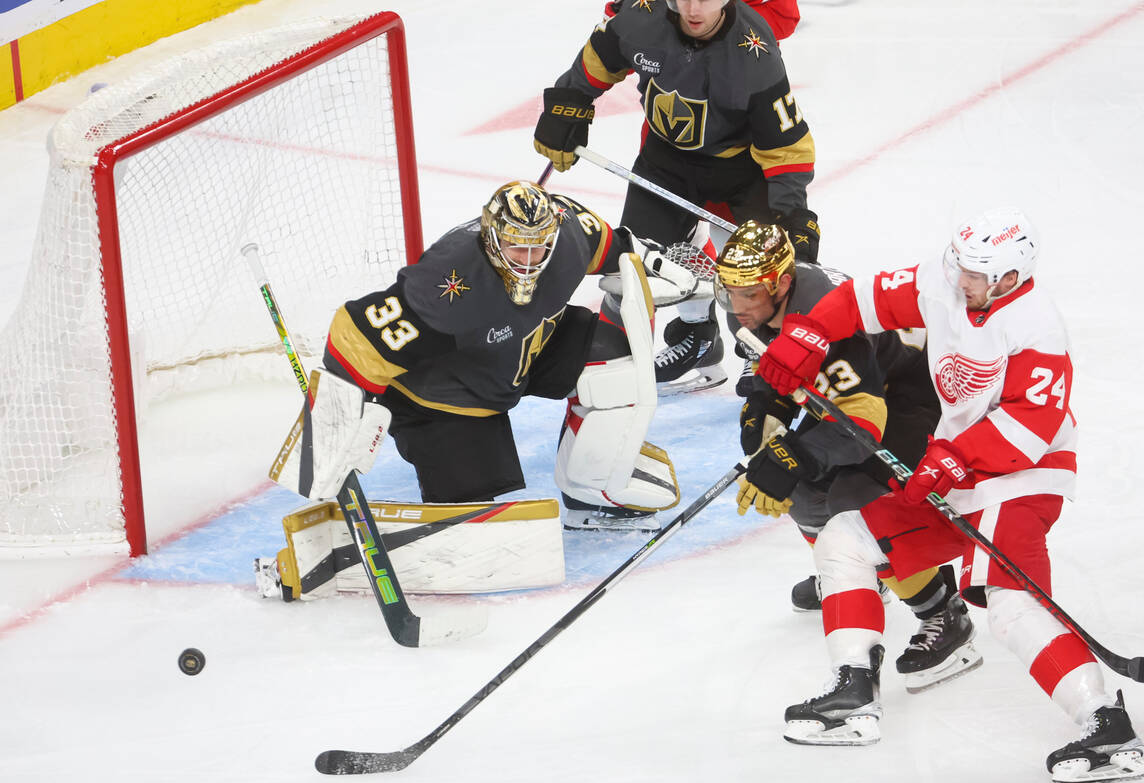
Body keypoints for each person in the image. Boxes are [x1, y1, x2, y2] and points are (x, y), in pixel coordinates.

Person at [756, 208, 1144, 783]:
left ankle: (1108, 726)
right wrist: (806, 335)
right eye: (960, 265)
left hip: (1022, 478)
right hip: (960, 474)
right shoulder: (945, 283)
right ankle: (853, 695)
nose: (962, 280)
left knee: (1010, 605)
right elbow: (859, 299)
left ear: (1010, 278)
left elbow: (1032, 426)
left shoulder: (1038, 326)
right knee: (844, 541)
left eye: (977, 273)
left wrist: (956, 456)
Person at [274, 180, 699, 532]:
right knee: (470, 519)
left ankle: (593, 488)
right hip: (444, 395)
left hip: (527, 348)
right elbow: (357, 336)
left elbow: (618, 246)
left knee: (614, 363)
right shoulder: (449, 282)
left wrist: (653, 264)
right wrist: (331, 431)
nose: (530, 261)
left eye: (539, 248)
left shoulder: (569, 234)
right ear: (493, 237)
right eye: (517, 249)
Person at [717, 221, 981, 692]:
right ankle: (856, 574)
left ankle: (945, 614)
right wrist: (765, 410)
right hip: (856, 394)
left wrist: (790, 455)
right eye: (731, 292)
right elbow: (779, 369)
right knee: (797, 490)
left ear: (780, 283)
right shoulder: (759, 303)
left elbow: (863, 423)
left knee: (858, 503)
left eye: (750, 295)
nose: (738, 308)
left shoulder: (820, 316)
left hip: (909, 397)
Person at [533, 0, 818, 396]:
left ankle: (764, 351)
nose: (693, 9)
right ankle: (687, 339)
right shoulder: (640, 17)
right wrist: (569, 102)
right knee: (630, 268)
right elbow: (599, 57)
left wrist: (792, 214)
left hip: (742, 170)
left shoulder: (754, 50)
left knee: (758, 270)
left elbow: (786, 147)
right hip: (665, 161)